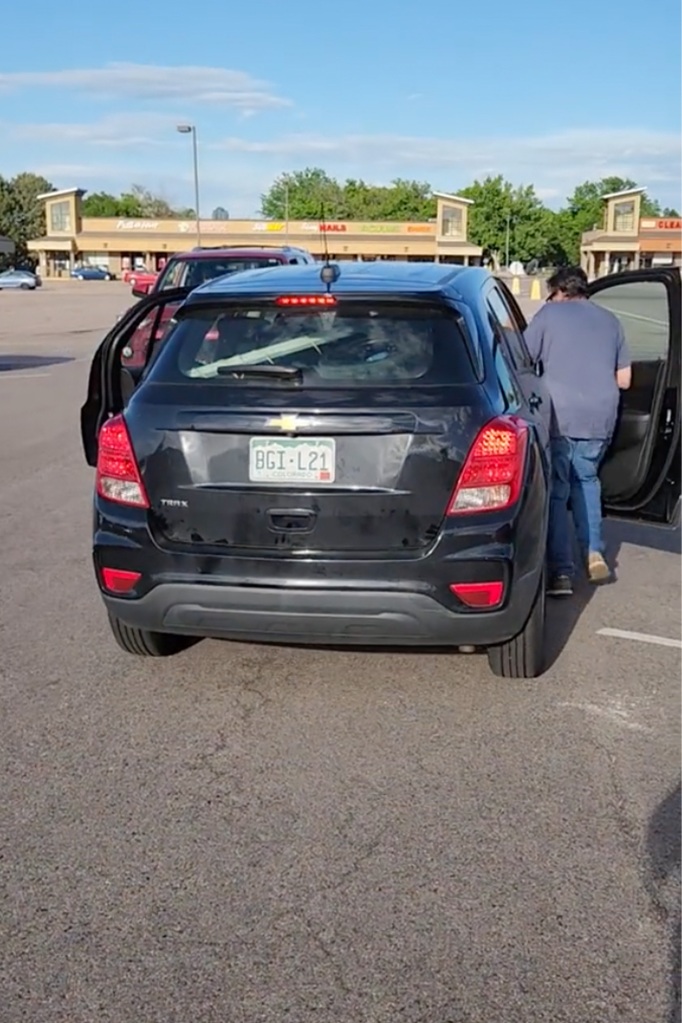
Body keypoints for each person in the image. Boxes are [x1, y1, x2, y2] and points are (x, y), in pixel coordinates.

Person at [524, 267, 632, 597]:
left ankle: (561, 573)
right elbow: (625, 379)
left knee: (557, 489)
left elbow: (523, 359)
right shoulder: (611, 320)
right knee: (586, 481)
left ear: (559, 291)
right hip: (600, 414)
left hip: (560, 413)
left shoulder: (549, 314)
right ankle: (593, 551)